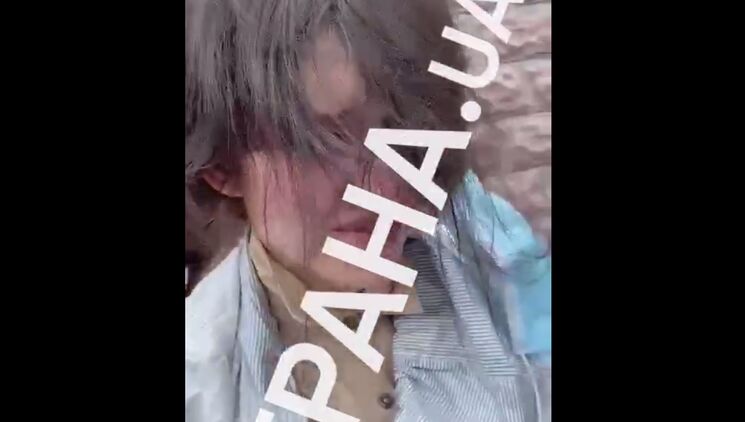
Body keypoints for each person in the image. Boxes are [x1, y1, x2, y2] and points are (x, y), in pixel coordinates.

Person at [185, 1, 551, 421]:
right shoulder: (203, 385)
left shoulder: (496, 256)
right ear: (224, 165)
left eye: (402, 131)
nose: (385, 187)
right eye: (324, 145)